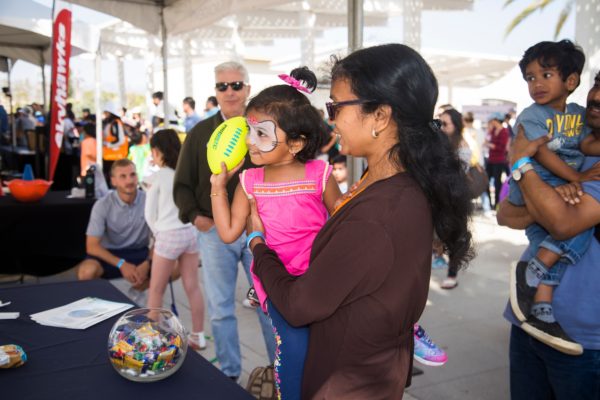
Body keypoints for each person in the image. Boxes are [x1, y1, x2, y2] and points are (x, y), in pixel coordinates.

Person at [249, 44, 474, 399]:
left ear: (380, 116)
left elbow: (297, 305)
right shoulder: (389, 181)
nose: (331, 119)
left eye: (336, 106)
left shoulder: (380, 212)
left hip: (344, 384)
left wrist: (258, 245)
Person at [210, 67, 340, 399]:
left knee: (326, 354)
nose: (251, 142)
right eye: (250, 131)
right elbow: (227, 232)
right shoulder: (249, 181)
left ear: (296, 142)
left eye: (262, 134)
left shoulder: (319, 173)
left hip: (322, 282)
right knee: (293, 353)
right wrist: (217, 188)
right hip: (278, 285)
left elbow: (345, 217)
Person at [497, 69, 600, 399]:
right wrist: (547, 197)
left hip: (582, 339)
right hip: (525, 318)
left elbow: (562, 225)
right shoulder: (572, 144)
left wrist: (521, 163)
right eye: (597, 86)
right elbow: (505, 215)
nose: (595, 96)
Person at [173, 60, 276, 381]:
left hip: (257, 231)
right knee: (220, 311)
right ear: (215, 92)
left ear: (247, 88)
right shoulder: (201, 132)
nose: (229, 91)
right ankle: (229, 375)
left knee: (269, 305)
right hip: (214, 232)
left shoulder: (265, 130)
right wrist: (196, 218)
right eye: (222, 86)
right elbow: (182, 184)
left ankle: (279, 374)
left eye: (236, 85)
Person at [144, 129, 206, 351]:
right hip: (189, 233)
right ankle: (198, 335)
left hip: (167, 236)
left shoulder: (157, 176)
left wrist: (158, 234)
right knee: (192, 286)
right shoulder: (187, 174)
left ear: (157, 151)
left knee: (156, 289)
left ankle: (153, 339)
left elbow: (149, 214)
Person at [76, 159, 151, 298]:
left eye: (133, 174)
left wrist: (148, 263)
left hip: (139, 253)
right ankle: (96, 308)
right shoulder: (102, 205)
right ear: (113, 181)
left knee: (174, 266)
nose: (129, 180)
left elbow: (162, 238)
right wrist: (122, 264)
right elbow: (92, 246)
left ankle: (138, 292)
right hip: (109, 254)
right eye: (123, 176)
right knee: (86, 272)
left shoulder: (149, 200)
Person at [437, 108, 473, 289]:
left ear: (456, 125)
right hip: (438, 199)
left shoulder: (462, 148)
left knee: (455, 239)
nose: (441, 127)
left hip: (453, 201)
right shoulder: (440, 143)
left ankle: (452, 273)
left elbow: (455, 177)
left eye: (445, 124)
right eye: (439, 123)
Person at [483, 112, 510, 209]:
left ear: (497, 120)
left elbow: (501, 147)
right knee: (485, 181)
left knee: (497, 183)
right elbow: (487, 140)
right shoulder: (493, 130)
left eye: (493, 120)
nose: (492, 122)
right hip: (491, 159)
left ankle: (497, 204)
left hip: (499, 160)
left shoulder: (504, 131)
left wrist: (490, 145)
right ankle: (490, 203)